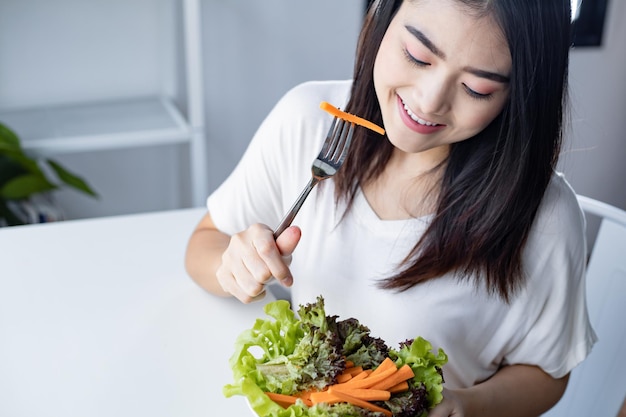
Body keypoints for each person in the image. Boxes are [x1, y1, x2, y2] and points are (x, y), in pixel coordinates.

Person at [185, 0, 597, 415]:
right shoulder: (309, 122)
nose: (430, 101)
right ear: (383, 15)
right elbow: (203, 244)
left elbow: (546, 372)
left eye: (477, 88)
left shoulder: (546, 218)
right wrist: (236, 265)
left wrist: (469, 407)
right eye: (418, 56)